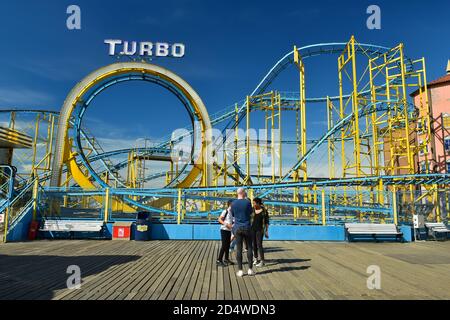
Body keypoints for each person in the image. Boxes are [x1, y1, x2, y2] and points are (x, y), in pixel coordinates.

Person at [230, 187, 255, 277]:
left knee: (239, 249)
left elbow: (233, 214)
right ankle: (250, 269)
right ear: (243, 193)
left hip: (237, 228)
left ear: (237, 193)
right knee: (249, 248)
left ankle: (240, 270)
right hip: (247, 227)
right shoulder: (247, 202)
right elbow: (251, 213)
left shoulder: (233, 203)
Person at [251, 197, 269, 267]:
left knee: (259, 245)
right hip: (252, 229)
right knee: (254, 245)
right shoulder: (252, 210)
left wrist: (267, 231)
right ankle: (256, 258)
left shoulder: (264, 211)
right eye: (253, 203)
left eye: (254, 203)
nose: (253, 204)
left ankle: (262, 261)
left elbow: (267, 222)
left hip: (260, 230)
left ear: (258, 203)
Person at [217, 200, 234, 266]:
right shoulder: (225, 211)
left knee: (228, 245)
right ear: (230, 204)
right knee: (224, 245)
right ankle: (219, 260)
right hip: (224, 229)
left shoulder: (232, 212)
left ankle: (226, 259)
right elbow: (219, 219)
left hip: (229, 230)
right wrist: (226, 224)